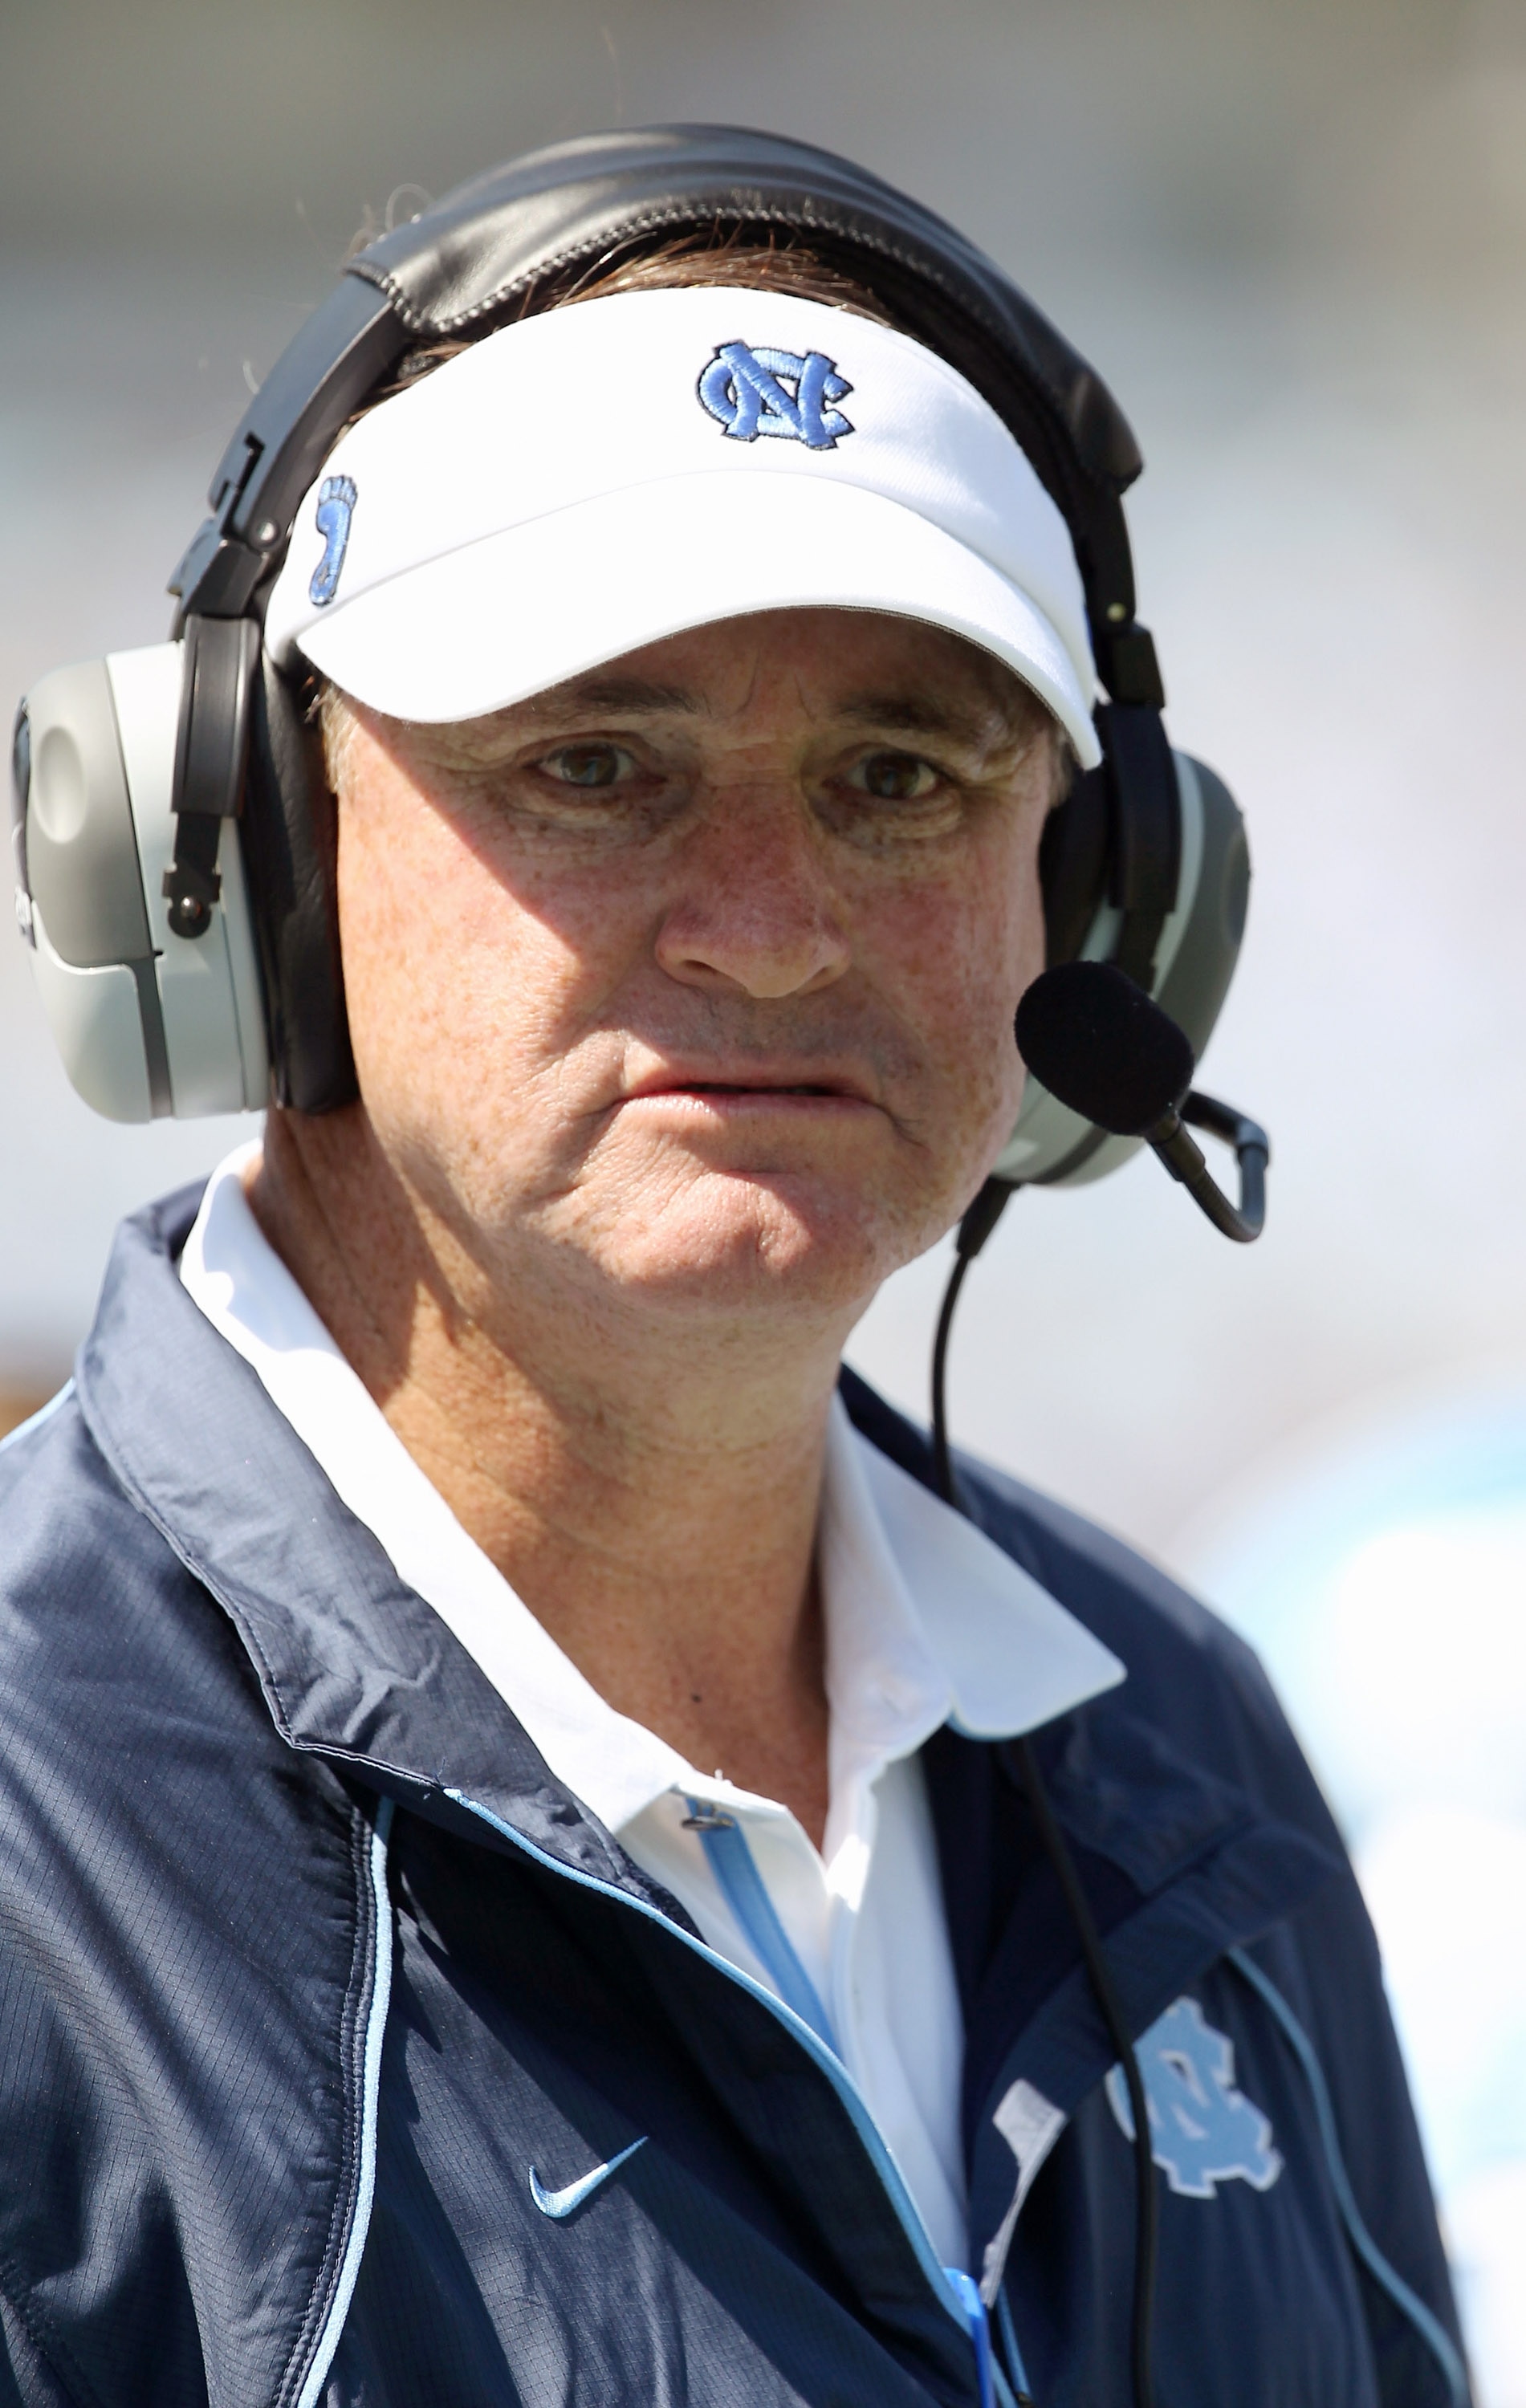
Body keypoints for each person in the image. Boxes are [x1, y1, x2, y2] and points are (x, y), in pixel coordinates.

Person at [0, 128, 1467, 2408]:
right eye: (595, 765)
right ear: (247, 866)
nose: (769, 928)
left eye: (902, 779)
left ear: (1094, 917)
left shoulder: (1190, 1758)